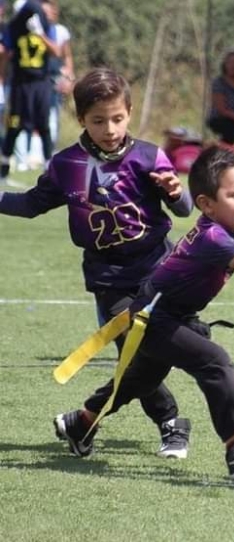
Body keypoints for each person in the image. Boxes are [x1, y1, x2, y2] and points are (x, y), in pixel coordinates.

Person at [54, 146, 234, 480]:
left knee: (141, 379)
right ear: (207, 204)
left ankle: (81, 423)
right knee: (215, 362)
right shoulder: (212, 237)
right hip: (154, 318)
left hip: (169, 316)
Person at [0, 67, 195, 458]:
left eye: (118, 119)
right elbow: (31, 204)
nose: (109, 128)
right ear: (81, 120)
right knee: (133, 354)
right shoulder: (66, 164)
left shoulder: (148, 156)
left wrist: (176, 191)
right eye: (98, 120)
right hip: (109, 278)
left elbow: (185, 208)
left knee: (177, 345)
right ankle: (171, 422)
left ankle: (88, 422)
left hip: (159, 269)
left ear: (130, 112)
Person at [0, 0, 60, 182]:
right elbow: (6, 54)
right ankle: (4, 166)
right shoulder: (14, 28)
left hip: (40, 82)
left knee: (43, 125)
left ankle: (49, 167)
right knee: (14, 123)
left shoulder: (47, 27)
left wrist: (40, 33)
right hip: (20, 82)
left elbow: (56, 51)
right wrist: (2, 78)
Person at [15, 0, 74, 171]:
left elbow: (65, 55)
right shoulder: (28, 29)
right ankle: (25, 158)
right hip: (31, 81)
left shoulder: (60, 31)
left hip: (52, 82)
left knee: (49, 121)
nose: (49, 15)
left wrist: (69, 76)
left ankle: (43, 158)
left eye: (52, 12)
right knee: (26, 120)